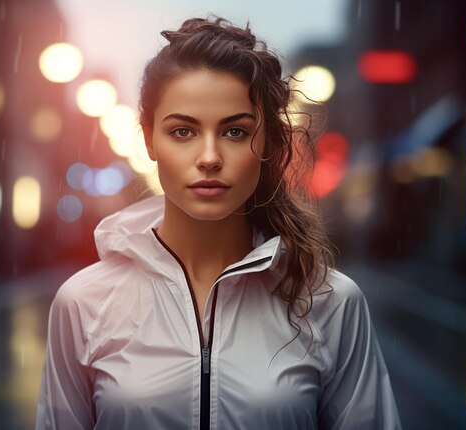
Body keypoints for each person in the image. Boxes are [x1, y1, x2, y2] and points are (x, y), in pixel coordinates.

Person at [35, 16, 401, 430]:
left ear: (265, 143)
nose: (209, 157)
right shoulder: (83, 303)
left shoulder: (331, 302)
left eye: (234, 131)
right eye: (183, 132)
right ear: (148, 138)